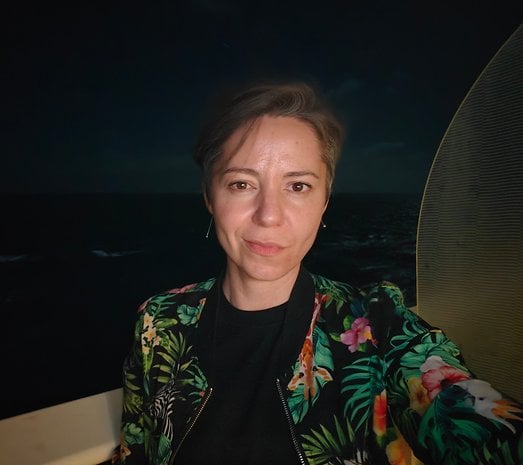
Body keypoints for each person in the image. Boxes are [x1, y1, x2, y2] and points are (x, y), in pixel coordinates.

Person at [111, 82, 523, 464]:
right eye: (241, 184)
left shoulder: (374, 322)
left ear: (325, 201)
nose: (269, 215)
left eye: (298, 186)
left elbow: (465, 411)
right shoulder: (158, 322)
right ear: (208, 196)